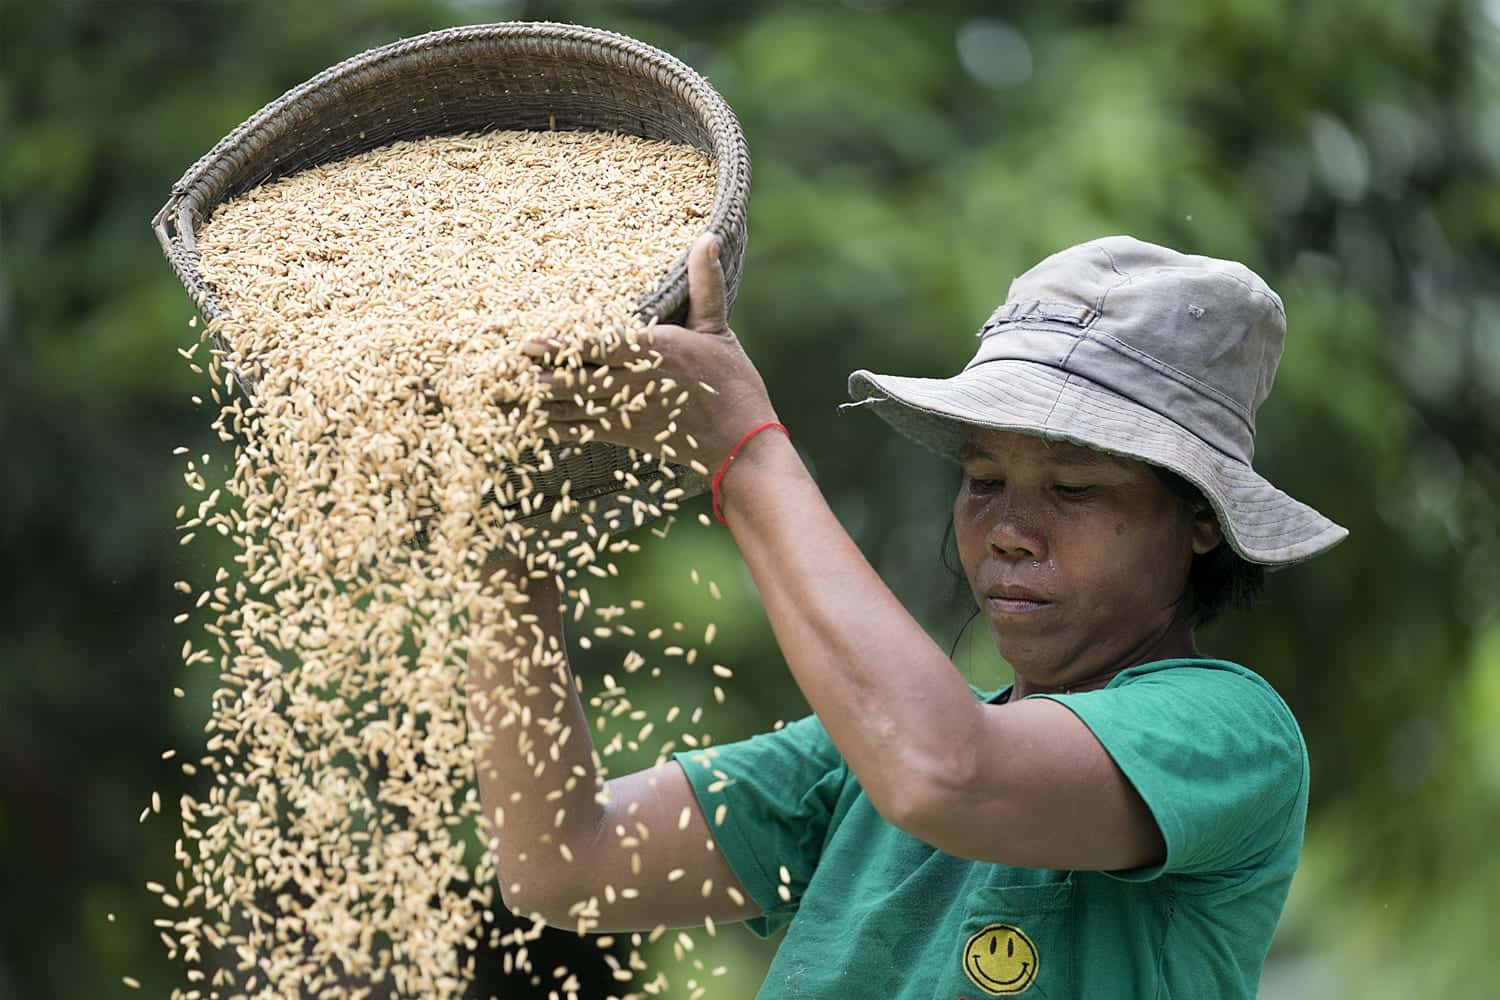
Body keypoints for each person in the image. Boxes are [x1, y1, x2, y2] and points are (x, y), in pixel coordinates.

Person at [468, 234, 1347, 998]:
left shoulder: (1229, 733)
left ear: (1199, 520)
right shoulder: (856, 764)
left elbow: (945, 775)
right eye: (983, 479)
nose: (1008, 531)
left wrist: (745, 451)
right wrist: (508, 542)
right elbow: (562, 860)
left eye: (1075, 487)